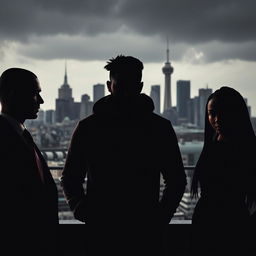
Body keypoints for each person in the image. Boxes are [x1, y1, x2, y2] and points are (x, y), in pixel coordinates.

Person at [61, 55, 186, 256]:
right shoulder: (159, 127)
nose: (125, 93)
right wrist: (160, 217)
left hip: (106, 229)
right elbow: (177, 179)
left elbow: (70, 177)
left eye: (129, 86)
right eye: (121, 87)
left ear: (139, 86)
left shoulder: (89, 127)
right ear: (109, 86)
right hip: (140, 229)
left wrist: (83, 210)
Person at [190, 86, 256, 256]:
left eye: (223, 113)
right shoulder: (213, 142)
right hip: (207, 225)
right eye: (212, 114)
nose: (217, 119)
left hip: (230, 228)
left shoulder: (247, 149)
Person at [0, 68, 59, 256]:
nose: (41, 101)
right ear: (12, 95)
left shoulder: (22, 135)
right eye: (35, 94)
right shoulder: (9, 138)